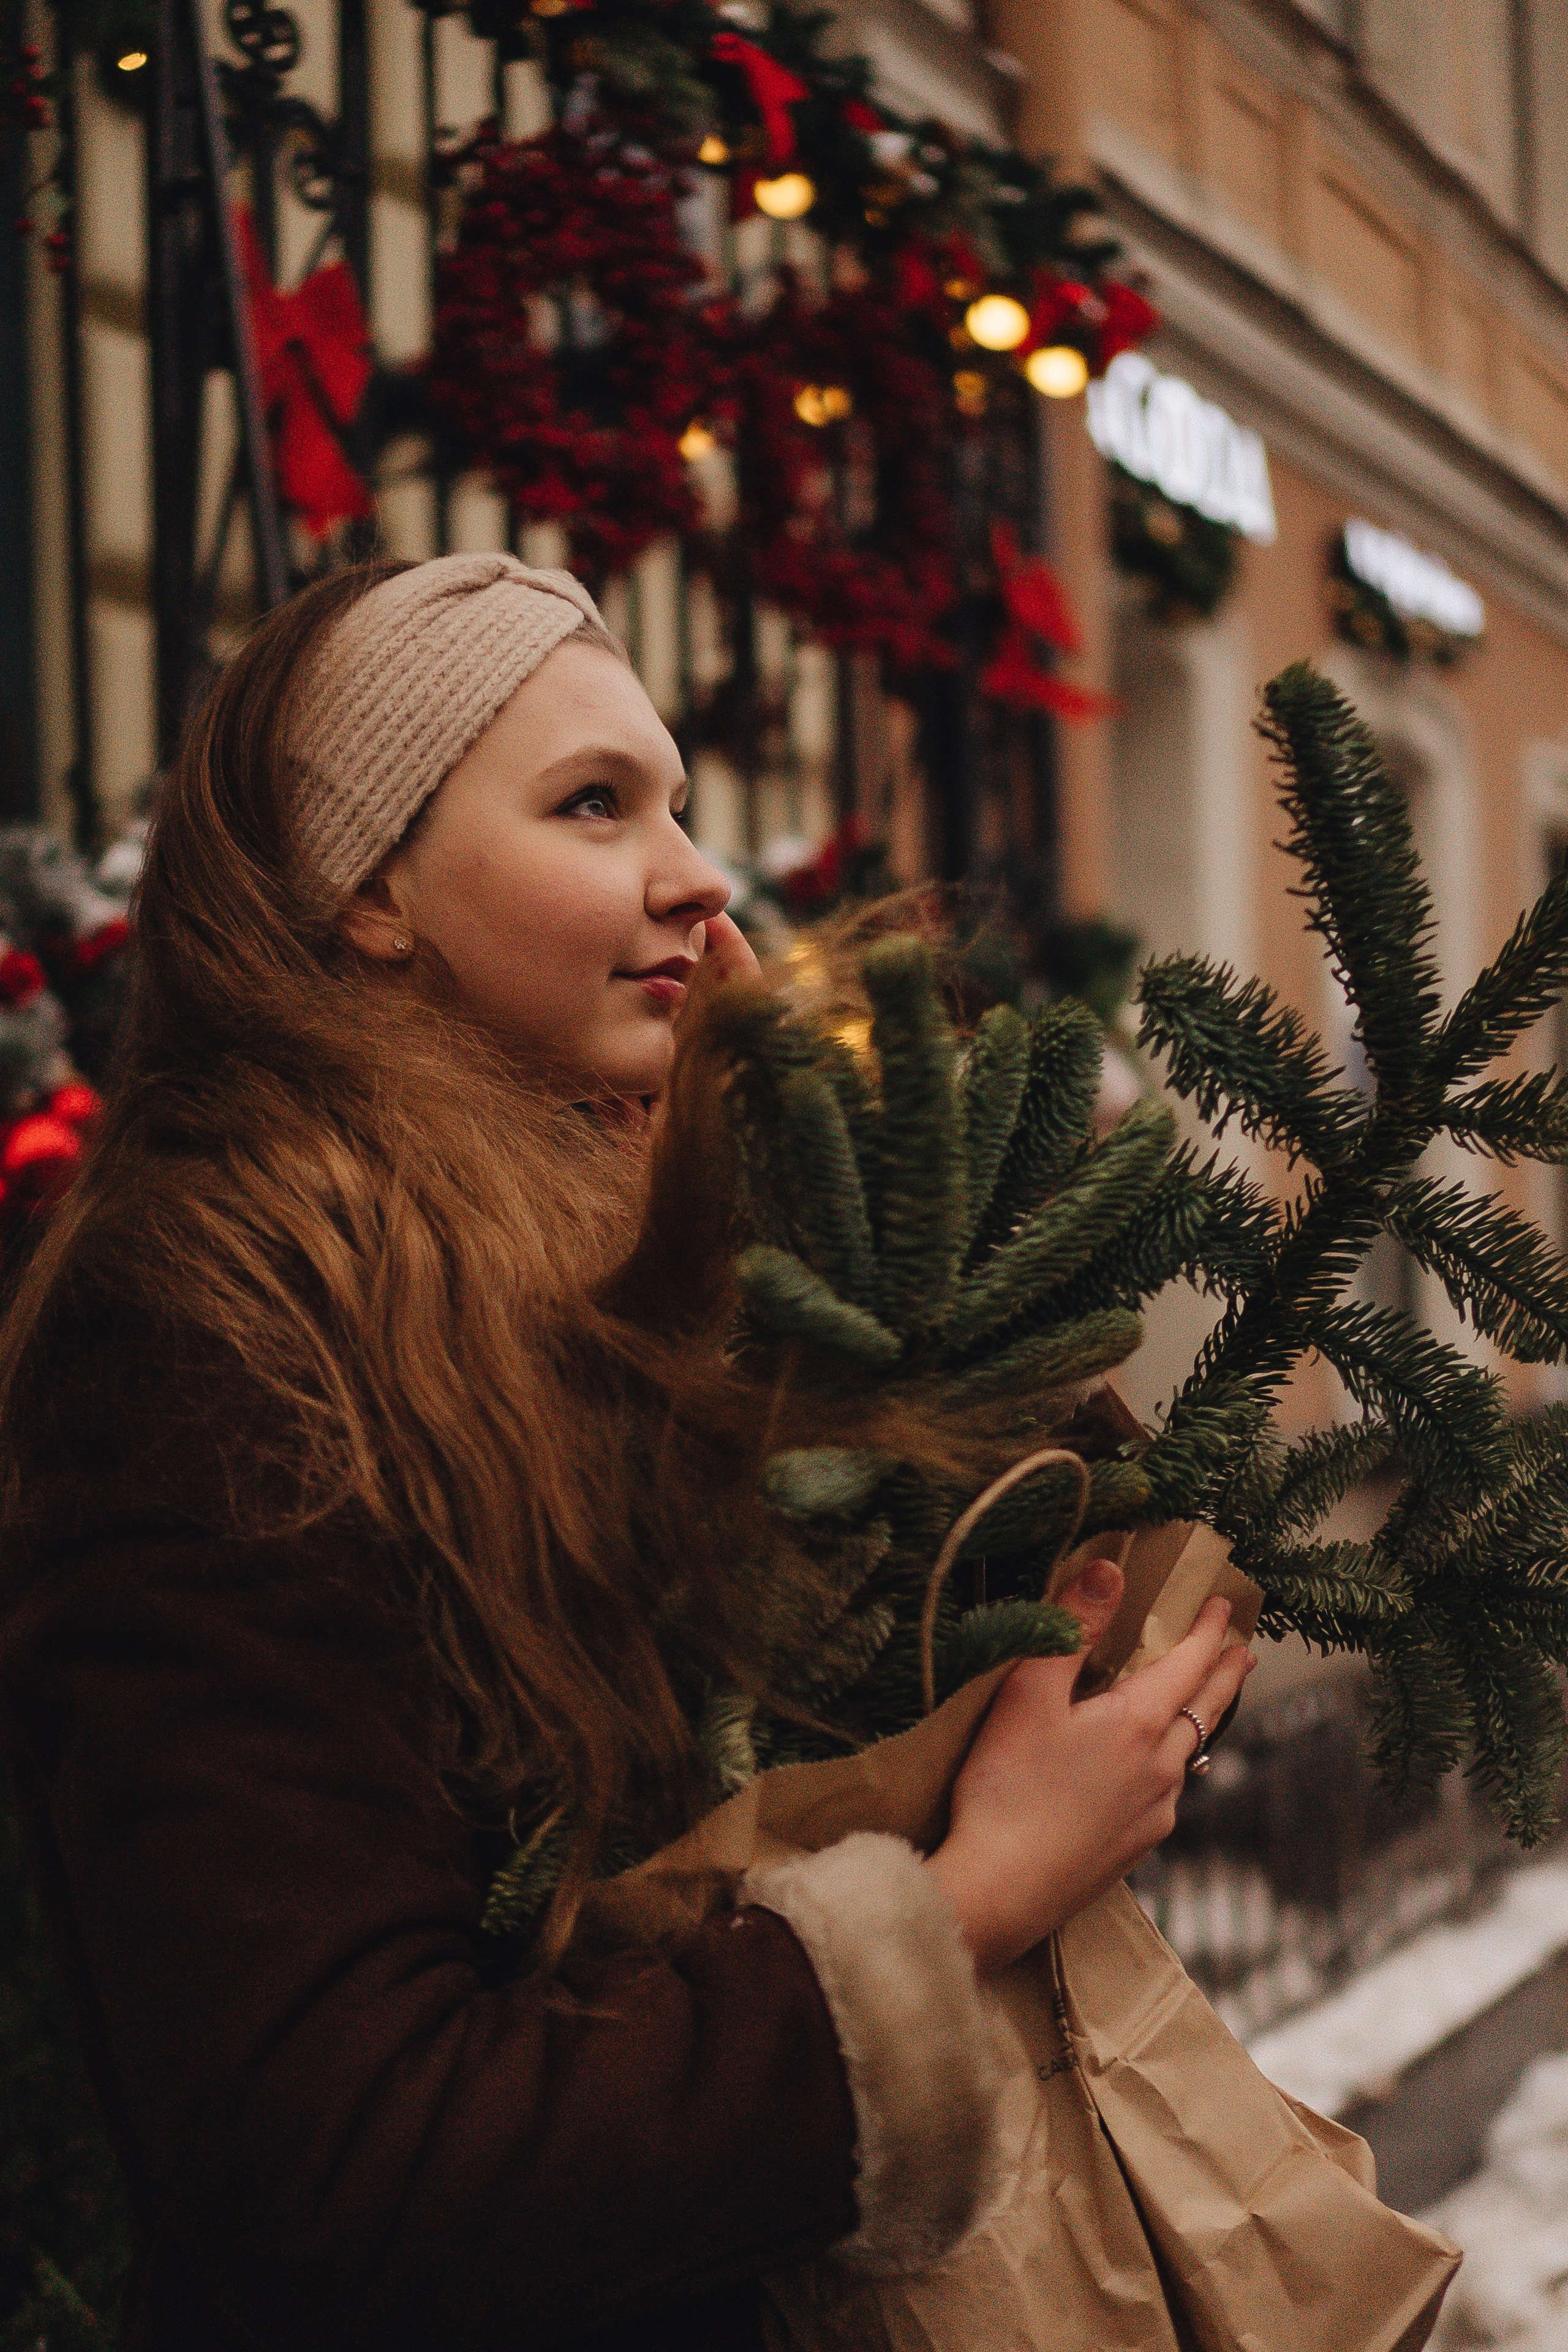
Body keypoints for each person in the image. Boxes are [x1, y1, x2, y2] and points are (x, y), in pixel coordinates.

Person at [0, 556, 1253, 2352]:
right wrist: (959, 1905)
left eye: (675, 801)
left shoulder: (602, 1267)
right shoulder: (218, 1344)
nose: (691, 871)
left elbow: (983, 1584)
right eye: (595, 807)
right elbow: (339, 2170)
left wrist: (804, 1179)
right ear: (365, 890)